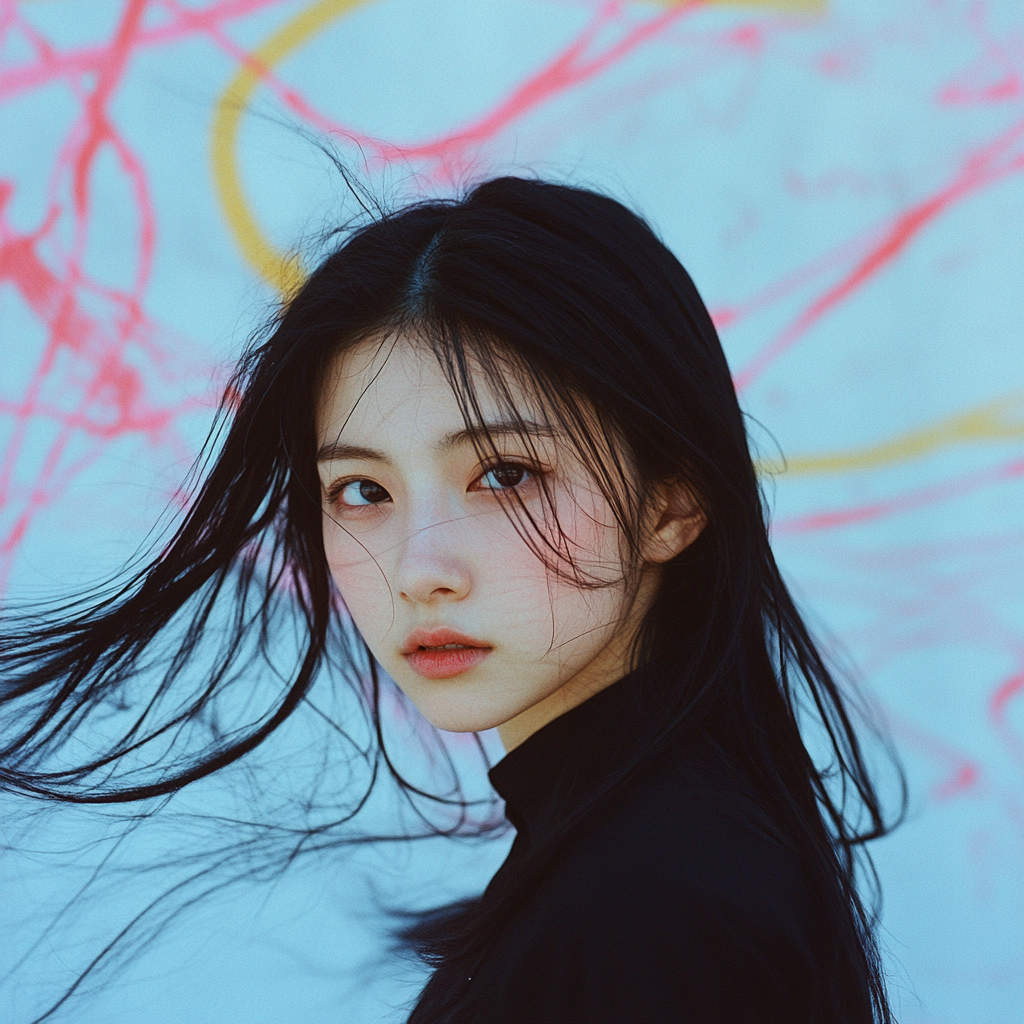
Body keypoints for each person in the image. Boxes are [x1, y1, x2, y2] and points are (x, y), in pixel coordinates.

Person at [1, 176, 898, 1023]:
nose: (417, 570)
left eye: (506, 475)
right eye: (362, 491)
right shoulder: (651, 856)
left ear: (672, 503)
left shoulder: (651, 899)